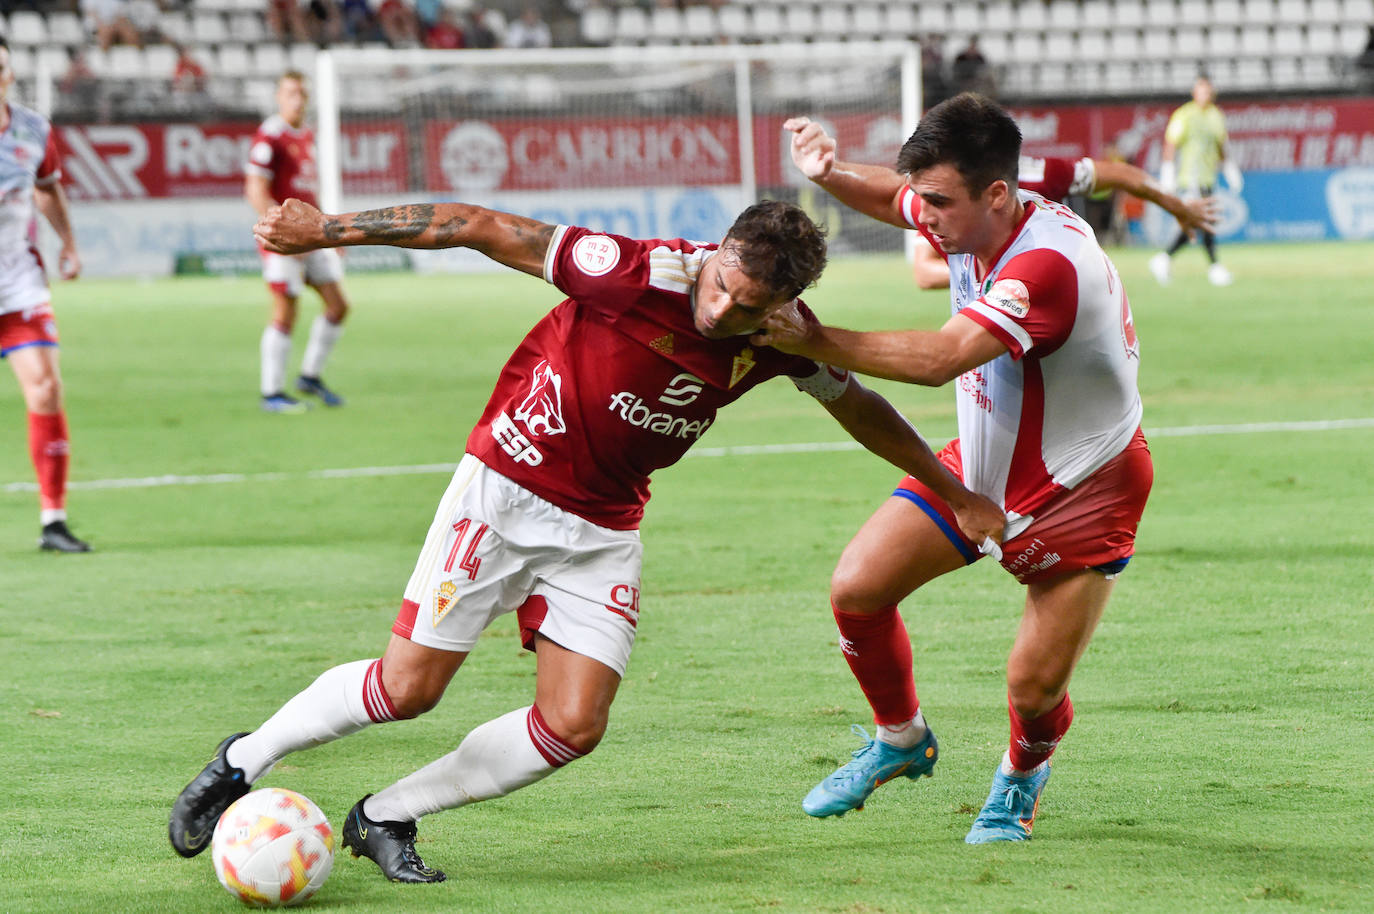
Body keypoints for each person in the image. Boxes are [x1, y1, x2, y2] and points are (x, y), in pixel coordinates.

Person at [168, 195, 1007, 881]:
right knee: (408, 689)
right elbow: (479, 227)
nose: (722, 310)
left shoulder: (781, 335)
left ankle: (386, 814)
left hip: (602, 526)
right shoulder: (635, 271)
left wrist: (956, 493)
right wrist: (328, 230)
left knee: (573, 725)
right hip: (503, 489)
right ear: (716, 252)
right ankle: (243, 759)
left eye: (747, 306)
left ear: (778, 304)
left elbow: (860, 406)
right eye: (721, 284)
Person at [768, 94, 1153, 843]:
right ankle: (902, 739)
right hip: (983, 462)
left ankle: (1020, 775)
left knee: (1033, 689)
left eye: (939, 201)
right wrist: (828, 171)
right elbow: (893, 193)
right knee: (857, 589)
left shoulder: (1047, 264)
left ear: (998, 194)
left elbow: (942, 358)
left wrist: (807, 337)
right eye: (927, 199)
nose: (925, 215)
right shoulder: (971, 214)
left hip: (1083, 485)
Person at [0, 38, 90, 553]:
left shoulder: (33, 129)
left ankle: (53, 520)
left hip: (18, 285)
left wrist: (69, 245)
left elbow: (48, 187)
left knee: (46, 390)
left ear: (9, 74)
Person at [910, 153, 1219, 290]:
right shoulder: (945, 193)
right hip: (990, 310)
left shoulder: (1032, 175)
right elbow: (923, 272)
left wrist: (1178, 206)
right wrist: (997, 280)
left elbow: (1121, 174)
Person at [245, 71, 354, 413]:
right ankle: (271, 393)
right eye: (291, 93)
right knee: (285, 312)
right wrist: (279, 228)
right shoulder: (270, 136)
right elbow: (255, 187)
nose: (297, 99)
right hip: (284, 241)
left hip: (310, 235)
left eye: (302, 94)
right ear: (279, 97)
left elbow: (308, 191)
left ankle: (309, 376)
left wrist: (328, 231)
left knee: (338, 306)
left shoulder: (306, 135)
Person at [1148, 75, 1242, 287]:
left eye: (1207, 91)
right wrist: (1168, 171)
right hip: (1190, 178)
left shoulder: (1216, 116)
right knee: (1203, 220)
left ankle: (1164, 259)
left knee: (1198, 222)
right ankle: (1214, 267)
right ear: (1194, 92)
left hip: (1207, 178)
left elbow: (1221, 145)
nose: (1204, 95)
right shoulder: (1184, 115)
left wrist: (1229, 169)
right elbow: (1171, 143)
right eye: (1200, 91)